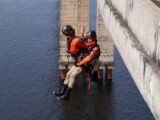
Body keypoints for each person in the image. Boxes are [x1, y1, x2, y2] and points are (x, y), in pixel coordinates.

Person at [53, 30, 101, 100]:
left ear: (94, 38)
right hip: (80, 62)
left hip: (86, 66)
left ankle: (67, 95)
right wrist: (82, 32)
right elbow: (82, 41)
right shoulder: (88, 43)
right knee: (68, 74)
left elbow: (88, 58)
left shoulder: (95, 48)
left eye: (90, 38)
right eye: (88, 38)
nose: (88, 39)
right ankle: (62, 91)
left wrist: (79, 64)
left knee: (73, 75)